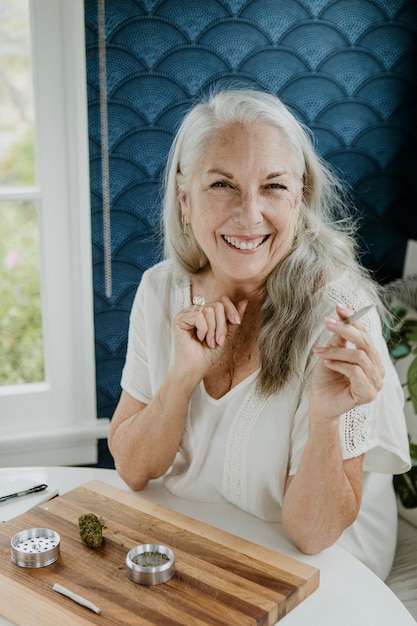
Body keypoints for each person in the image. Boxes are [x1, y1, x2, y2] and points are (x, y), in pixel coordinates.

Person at [108, 89, 410, 580]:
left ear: (300, 198)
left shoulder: (344, 317)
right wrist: (181, 379)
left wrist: (327, 421)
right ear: (185, 200)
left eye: (273, 186)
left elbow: (314, 535)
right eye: (223, 184)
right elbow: (134, 469)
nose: (250, 214)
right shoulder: (160, 289)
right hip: (208, 536)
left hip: (325, 561)